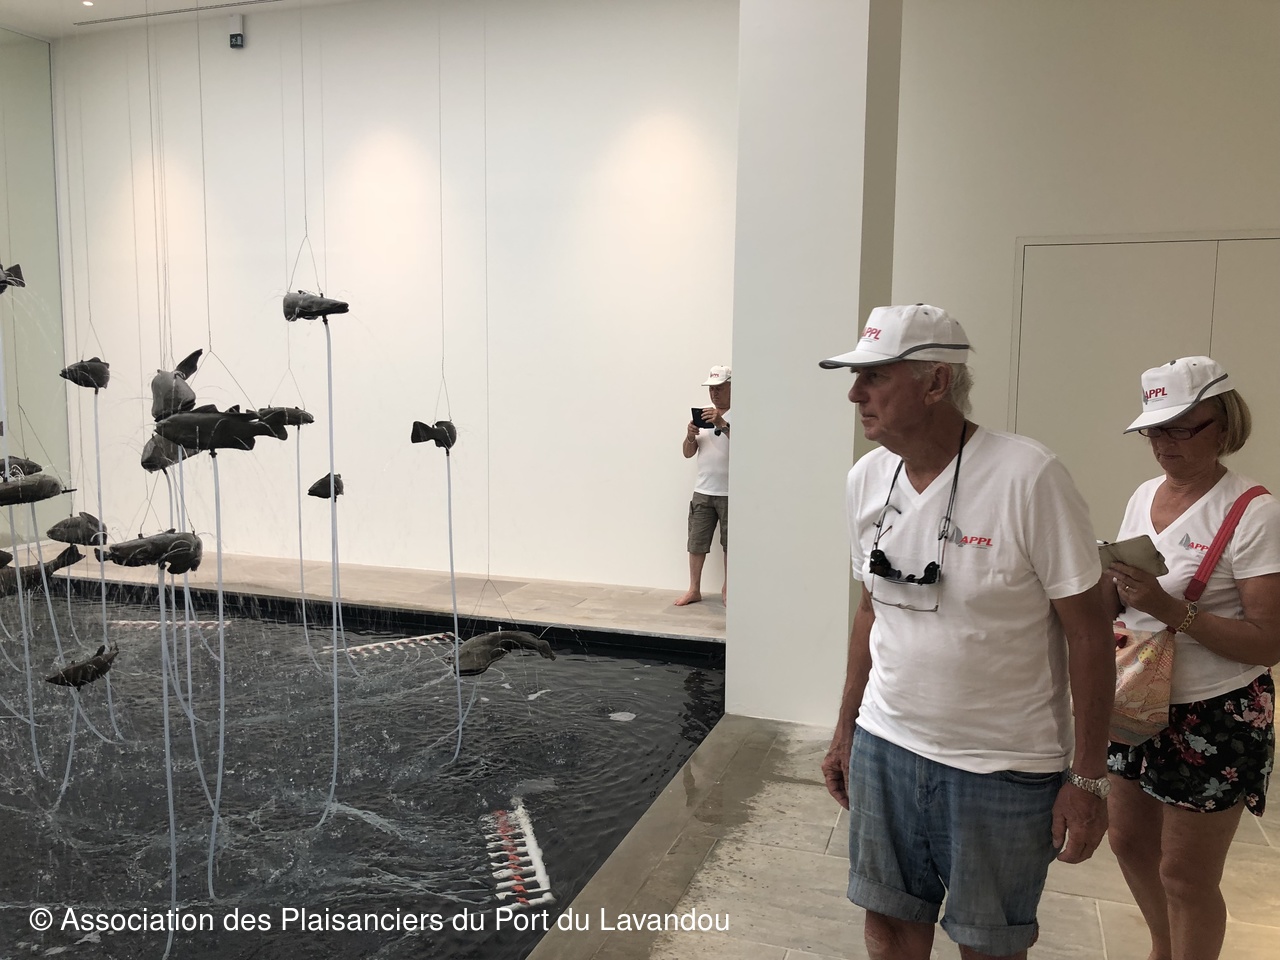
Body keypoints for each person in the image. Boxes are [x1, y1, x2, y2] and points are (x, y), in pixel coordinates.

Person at [817, 304, 1115, 960]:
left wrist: (1089, 778)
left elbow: (1090, 634)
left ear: (936, 382)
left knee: (989, 946)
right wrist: (845, 732)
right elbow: (871, 611)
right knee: (887, 928)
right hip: (886, 747)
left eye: (875, 376)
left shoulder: (1028, 477)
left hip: (1002, 769)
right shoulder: (866, 479)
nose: (855, 394)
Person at [1103, 356, 1280, 960]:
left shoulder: (1255, 511)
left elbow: (1269, 642)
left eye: (1181, 427)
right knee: (1128, 842)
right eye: (1154, 430)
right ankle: (1164, 948)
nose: (1164, 443)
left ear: (1225, 425)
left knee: (1186, 876)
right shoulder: (1144, 494)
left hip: (1216, 713)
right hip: (1136, 694)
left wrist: (1166, 607)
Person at [675, 365, 731, 606]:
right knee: (696, 542)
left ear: (731, 387)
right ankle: (694, 589)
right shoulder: (702, 415)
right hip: (703, 490)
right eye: (711, 389)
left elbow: (748, 449)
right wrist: (690, 435)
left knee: (731, 544)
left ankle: (728, 589)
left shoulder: (742, 413)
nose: (714, 393)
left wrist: (723, 424)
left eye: (719, 388)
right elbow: (688, 453)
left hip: (731, 492)